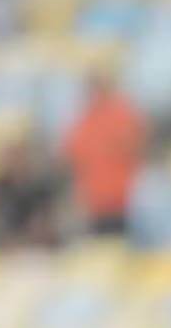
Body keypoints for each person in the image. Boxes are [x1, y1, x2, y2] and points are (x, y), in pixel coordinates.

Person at [62, 72, 147, 235]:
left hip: (125, 201)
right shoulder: (83, 121)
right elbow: (71, 160)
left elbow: (136, 147)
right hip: (95, 203)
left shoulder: (123, 115)